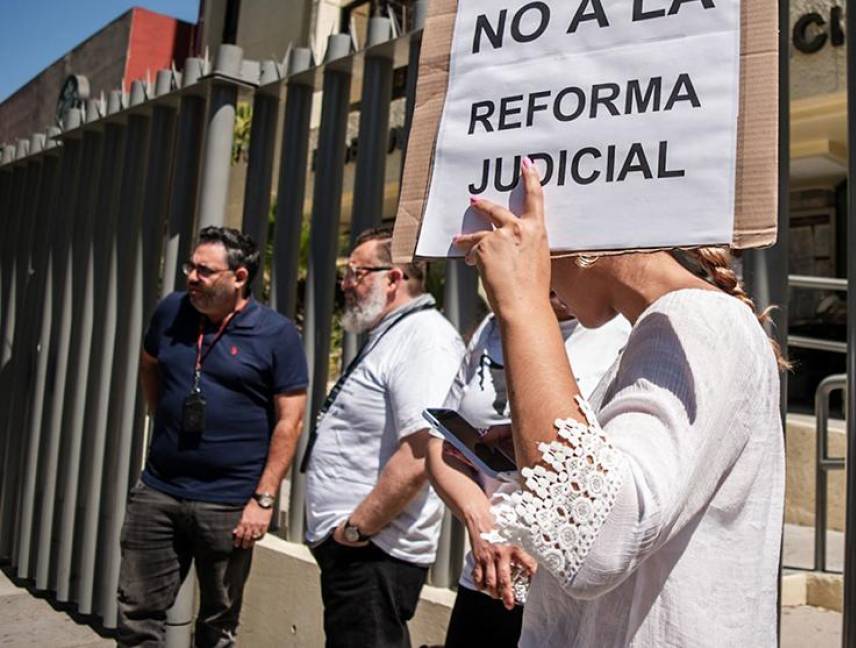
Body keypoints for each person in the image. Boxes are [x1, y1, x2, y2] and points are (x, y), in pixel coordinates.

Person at [451, 158, 786, 647]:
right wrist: (535, 457)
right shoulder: (674, 326)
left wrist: (523, 304)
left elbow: (595, 544)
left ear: (583, 241)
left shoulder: (695, 321)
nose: (544, 280)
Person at [118, 226, 309, 647]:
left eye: (205, 271)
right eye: (191, 266)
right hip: (159, 490)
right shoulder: (171, 311)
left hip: (229, 504)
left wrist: (263, 499)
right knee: (137, 611)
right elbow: (150, 364)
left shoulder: (276, 334)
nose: (191, 277)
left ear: (239, 277)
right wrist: (158, 411)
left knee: (217, 623)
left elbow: (290, 421)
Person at [428, 296, 630, 647]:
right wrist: (483, 525)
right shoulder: (497, 324)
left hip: (566, 593)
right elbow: (440, 445)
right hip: (487, 575)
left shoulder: (623, 334)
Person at [303, 228, 465, 648]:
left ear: (392, 278)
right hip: (360, 550)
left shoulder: (425, 339)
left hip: (374, 551)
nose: (345, 285)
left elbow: (421, 452)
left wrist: (356, 530)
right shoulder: (395, 334)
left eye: (355, 273)